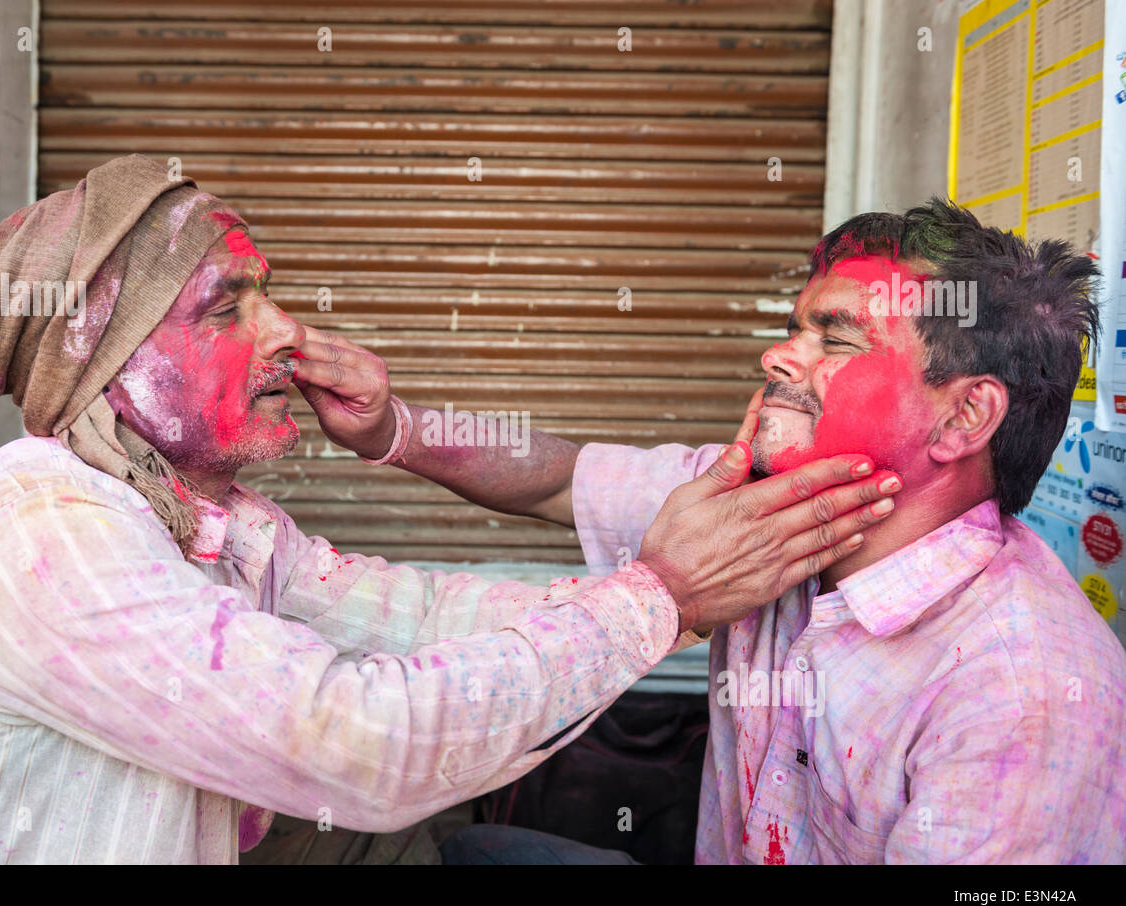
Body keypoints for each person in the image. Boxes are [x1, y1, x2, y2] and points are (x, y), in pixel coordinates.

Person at [0, 155, 898, 864]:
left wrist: (663, 593)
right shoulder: (46, 535)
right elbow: (358, 741)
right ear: (109, 363)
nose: (285, 331)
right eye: (228, 306)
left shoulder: (205, 516)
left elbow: (413, 614)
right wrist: (659, 600)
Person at [312, 199, 1126, 863]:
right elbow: (560, 475)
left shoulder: (1023, 692)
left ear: (963, 416)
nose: (778, 356)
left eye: (834, 337)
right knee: (480, 854)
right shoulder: (758, 504)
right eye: (795, 326)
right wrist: (394, 426)